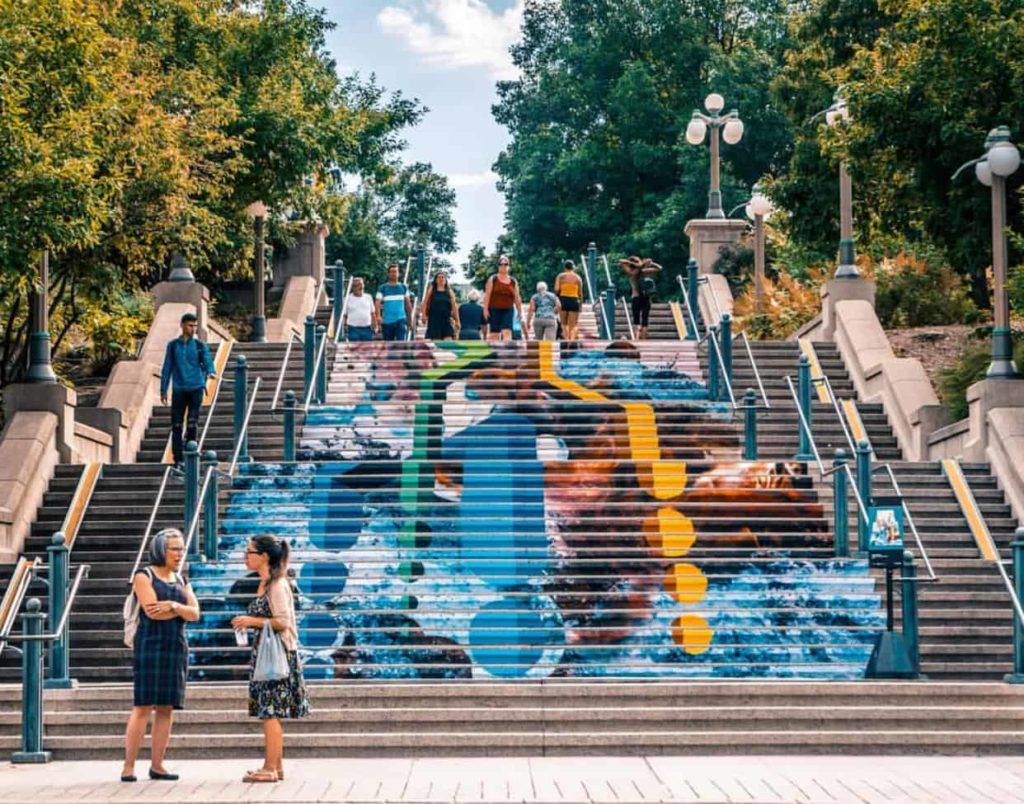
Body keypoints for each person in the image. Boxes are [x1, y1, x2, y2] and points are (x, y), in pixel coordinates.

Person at [122, 528, 200, 782]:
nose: (179, 554)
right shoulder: (143, 576)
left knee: (167, 707)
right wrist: (180, 610)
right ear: (160, 550)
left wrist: (175, 606)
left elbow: (196, 613)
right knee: (143, 705)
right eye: (174, 549)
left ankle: (158, 765)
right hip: (150, 643)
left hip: (175, 645)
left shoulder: (181, 579)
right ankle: (129, 766)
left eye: (180, 548)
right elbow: (153, 611)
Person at [231, 536, 310, 784]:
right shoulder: (265, 583)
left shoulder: (277, 584)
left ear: (264, 556)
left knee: (270, 711)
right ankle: (277, 766)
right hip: (267, 654)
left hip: (278, 656)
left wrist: (251, 621)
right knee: (269, 710)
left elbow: (283, 621)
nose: (246, 556)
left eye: (250, 552)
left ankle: (269, 768)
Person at [160, 312, 215, 466]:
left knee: (192, 422)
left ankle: (191, 452)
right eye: (190, 326)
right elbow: (167, 367)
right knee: (176, 424)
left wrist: (211, 372)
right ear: (183, 325)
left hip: (196, 387)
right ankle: (178, 457)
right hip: (179, 389)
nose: (193, 329)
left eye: (195, 326)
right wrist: (163, 389)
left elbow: (207, 360)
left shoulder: (199, 345)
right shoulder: (173, 346)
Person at [482, 255, 524, 341]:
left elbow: (517, 297)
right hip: (494, 309)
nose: (503, 266)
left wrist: (519, 311)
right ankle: (493, 352)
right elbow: (487, 295)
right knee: (494, 333)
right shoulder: (493, 279)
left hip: (508, 309)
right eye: (501, 264)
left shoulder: (513, 281)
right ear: (498, 266)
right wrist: (485, 309)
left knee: (507, 332)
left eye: (506, 264)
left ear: (509, 266)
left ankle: (507, 352)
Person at [619, 256, 662, 339]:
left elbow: (622, 261)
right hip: (646, 298)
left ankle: (637, 339)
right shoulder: (644, 272)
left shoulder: (631, 273)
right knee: (645, 321)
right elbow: (660, 268)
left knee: (636, 321)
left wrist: (634, 263)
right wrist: (650, 263)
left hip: (636, 298)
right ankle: (644, 340)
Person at [374, 264, 412, 342]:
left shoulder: (403, 287)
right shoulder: (382, 288)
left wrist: (410, 319)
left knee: (401, 344)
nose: (393, 273)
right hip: (387, 321)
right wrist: (378, 316)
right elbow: (377, 303)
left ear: (398, 273)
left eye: (395, 271)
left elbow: (408, 304)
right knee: (388, 345)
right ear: (388, 274)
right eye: (391, 272)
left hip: (401, 320)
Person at [422, 270, 460, 341]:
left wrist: (457, 320)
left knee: (448, 340)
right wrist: (423, 315)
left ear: (445, 280)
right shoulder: (432, 290)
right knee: (436, 341)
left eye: (443, 277)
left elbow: (454, 307)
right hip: (434, 320)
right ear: (436, 280)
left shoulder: (449, 291)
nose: (441, 279)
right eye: (439, 277)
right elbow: (425, 303)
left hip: (446, 320)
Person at [554, 260, 583, 341]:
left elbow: (556, 289)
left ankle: (566, 341)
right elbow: (580, 293)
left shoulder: (560, 276)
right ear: (573, 267)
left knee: (564, 323)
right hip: (574, 300)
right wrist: (580, 305)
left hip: (563, 300)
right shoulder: (578, 277)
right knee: (573, 325)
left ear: (565, 267)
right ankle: (572, 342)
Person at [342, 277, 376, 341]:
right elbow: (344, 315)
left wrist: (375, 326)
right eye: (356, 285)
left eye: (361, 284)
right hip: (353, 328)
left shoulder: (368, 297)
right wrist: (343, 328)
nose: (359, 287)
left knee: (367, 348)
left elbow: (372, 313)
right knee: (354, 348)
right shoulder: (347, 298)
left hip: (367, 328)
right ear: (352, 287)